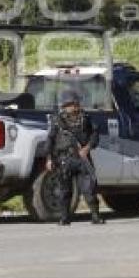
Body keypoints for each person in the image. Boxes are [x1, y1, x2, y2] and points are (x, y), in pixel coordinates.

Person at [45, 90, 104, 226]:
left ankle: (95, 216)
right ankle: (64, 218)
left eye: (74, 104)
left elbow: (95, 135)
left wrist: (87, 148)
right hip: (64, 159)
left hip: (82, 159)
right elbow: (50, 140)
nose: (72, 107)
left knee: (89, 188)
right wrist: (49, 159)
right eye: (69, 105)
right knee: (64, 190)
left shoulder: (86, 119)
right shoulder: (57, 121)